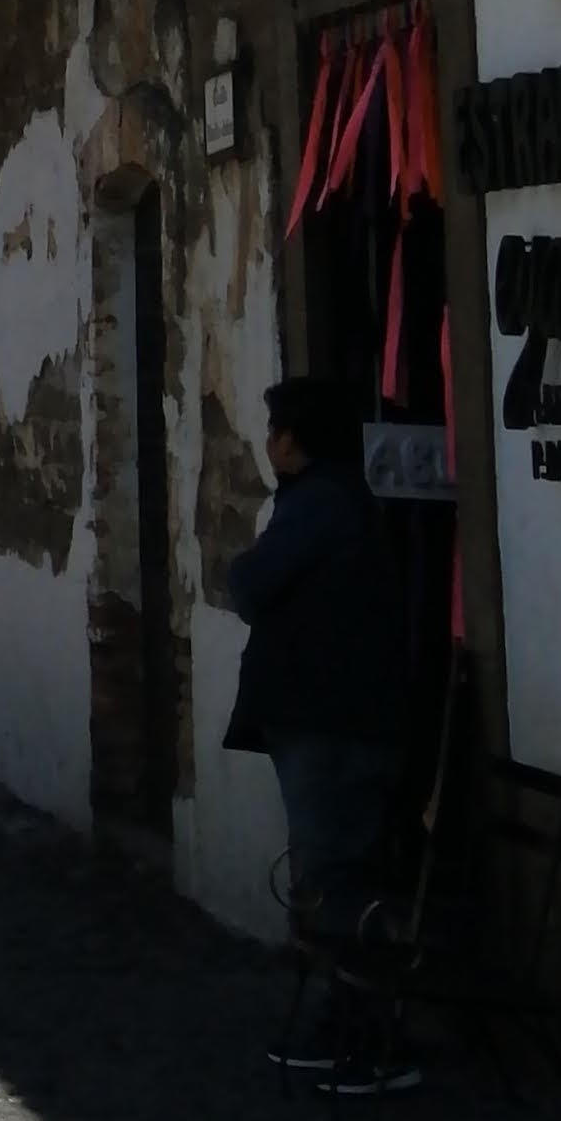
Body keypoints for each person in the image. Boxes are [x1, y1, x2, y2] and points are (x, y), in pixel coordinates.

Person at [225, 374, 407, 928]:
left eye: (273, 431)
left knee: (328, 872)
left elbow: (253, 585)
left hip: (326, 719)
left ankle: (346, 1000)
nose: (268, 443)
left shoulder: (321, 500)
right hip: (338, 713)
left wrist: (239, 567)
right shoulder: (338, 497)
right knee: (336, 865)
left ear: (289, 440)